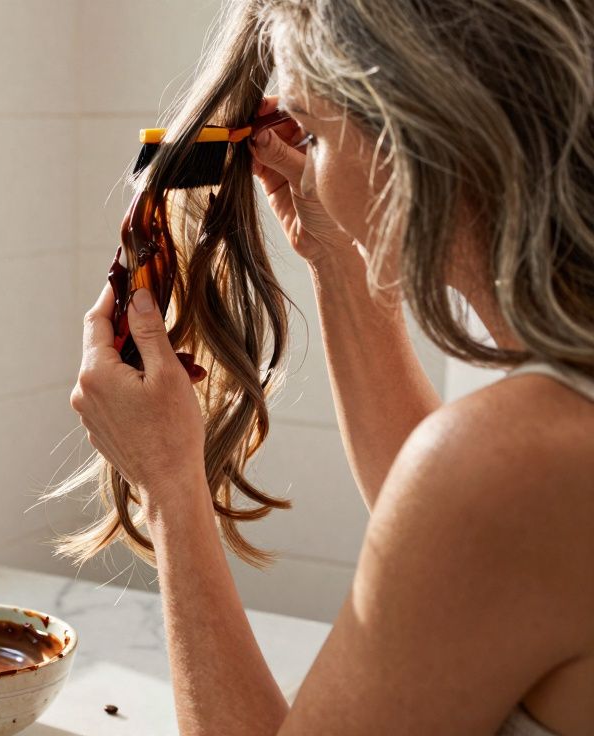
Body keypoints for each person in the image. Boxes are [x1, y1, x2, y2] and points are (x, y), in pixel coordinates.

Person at [67, 0, 594, 733]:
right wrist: (338, 261)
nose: (302, 155)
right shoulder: (537, 448)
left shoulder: (516, 462)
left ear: (418, 135)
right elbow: (462, 548)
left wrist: (169, 488)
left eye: (311, 133)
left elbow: (471, 497)